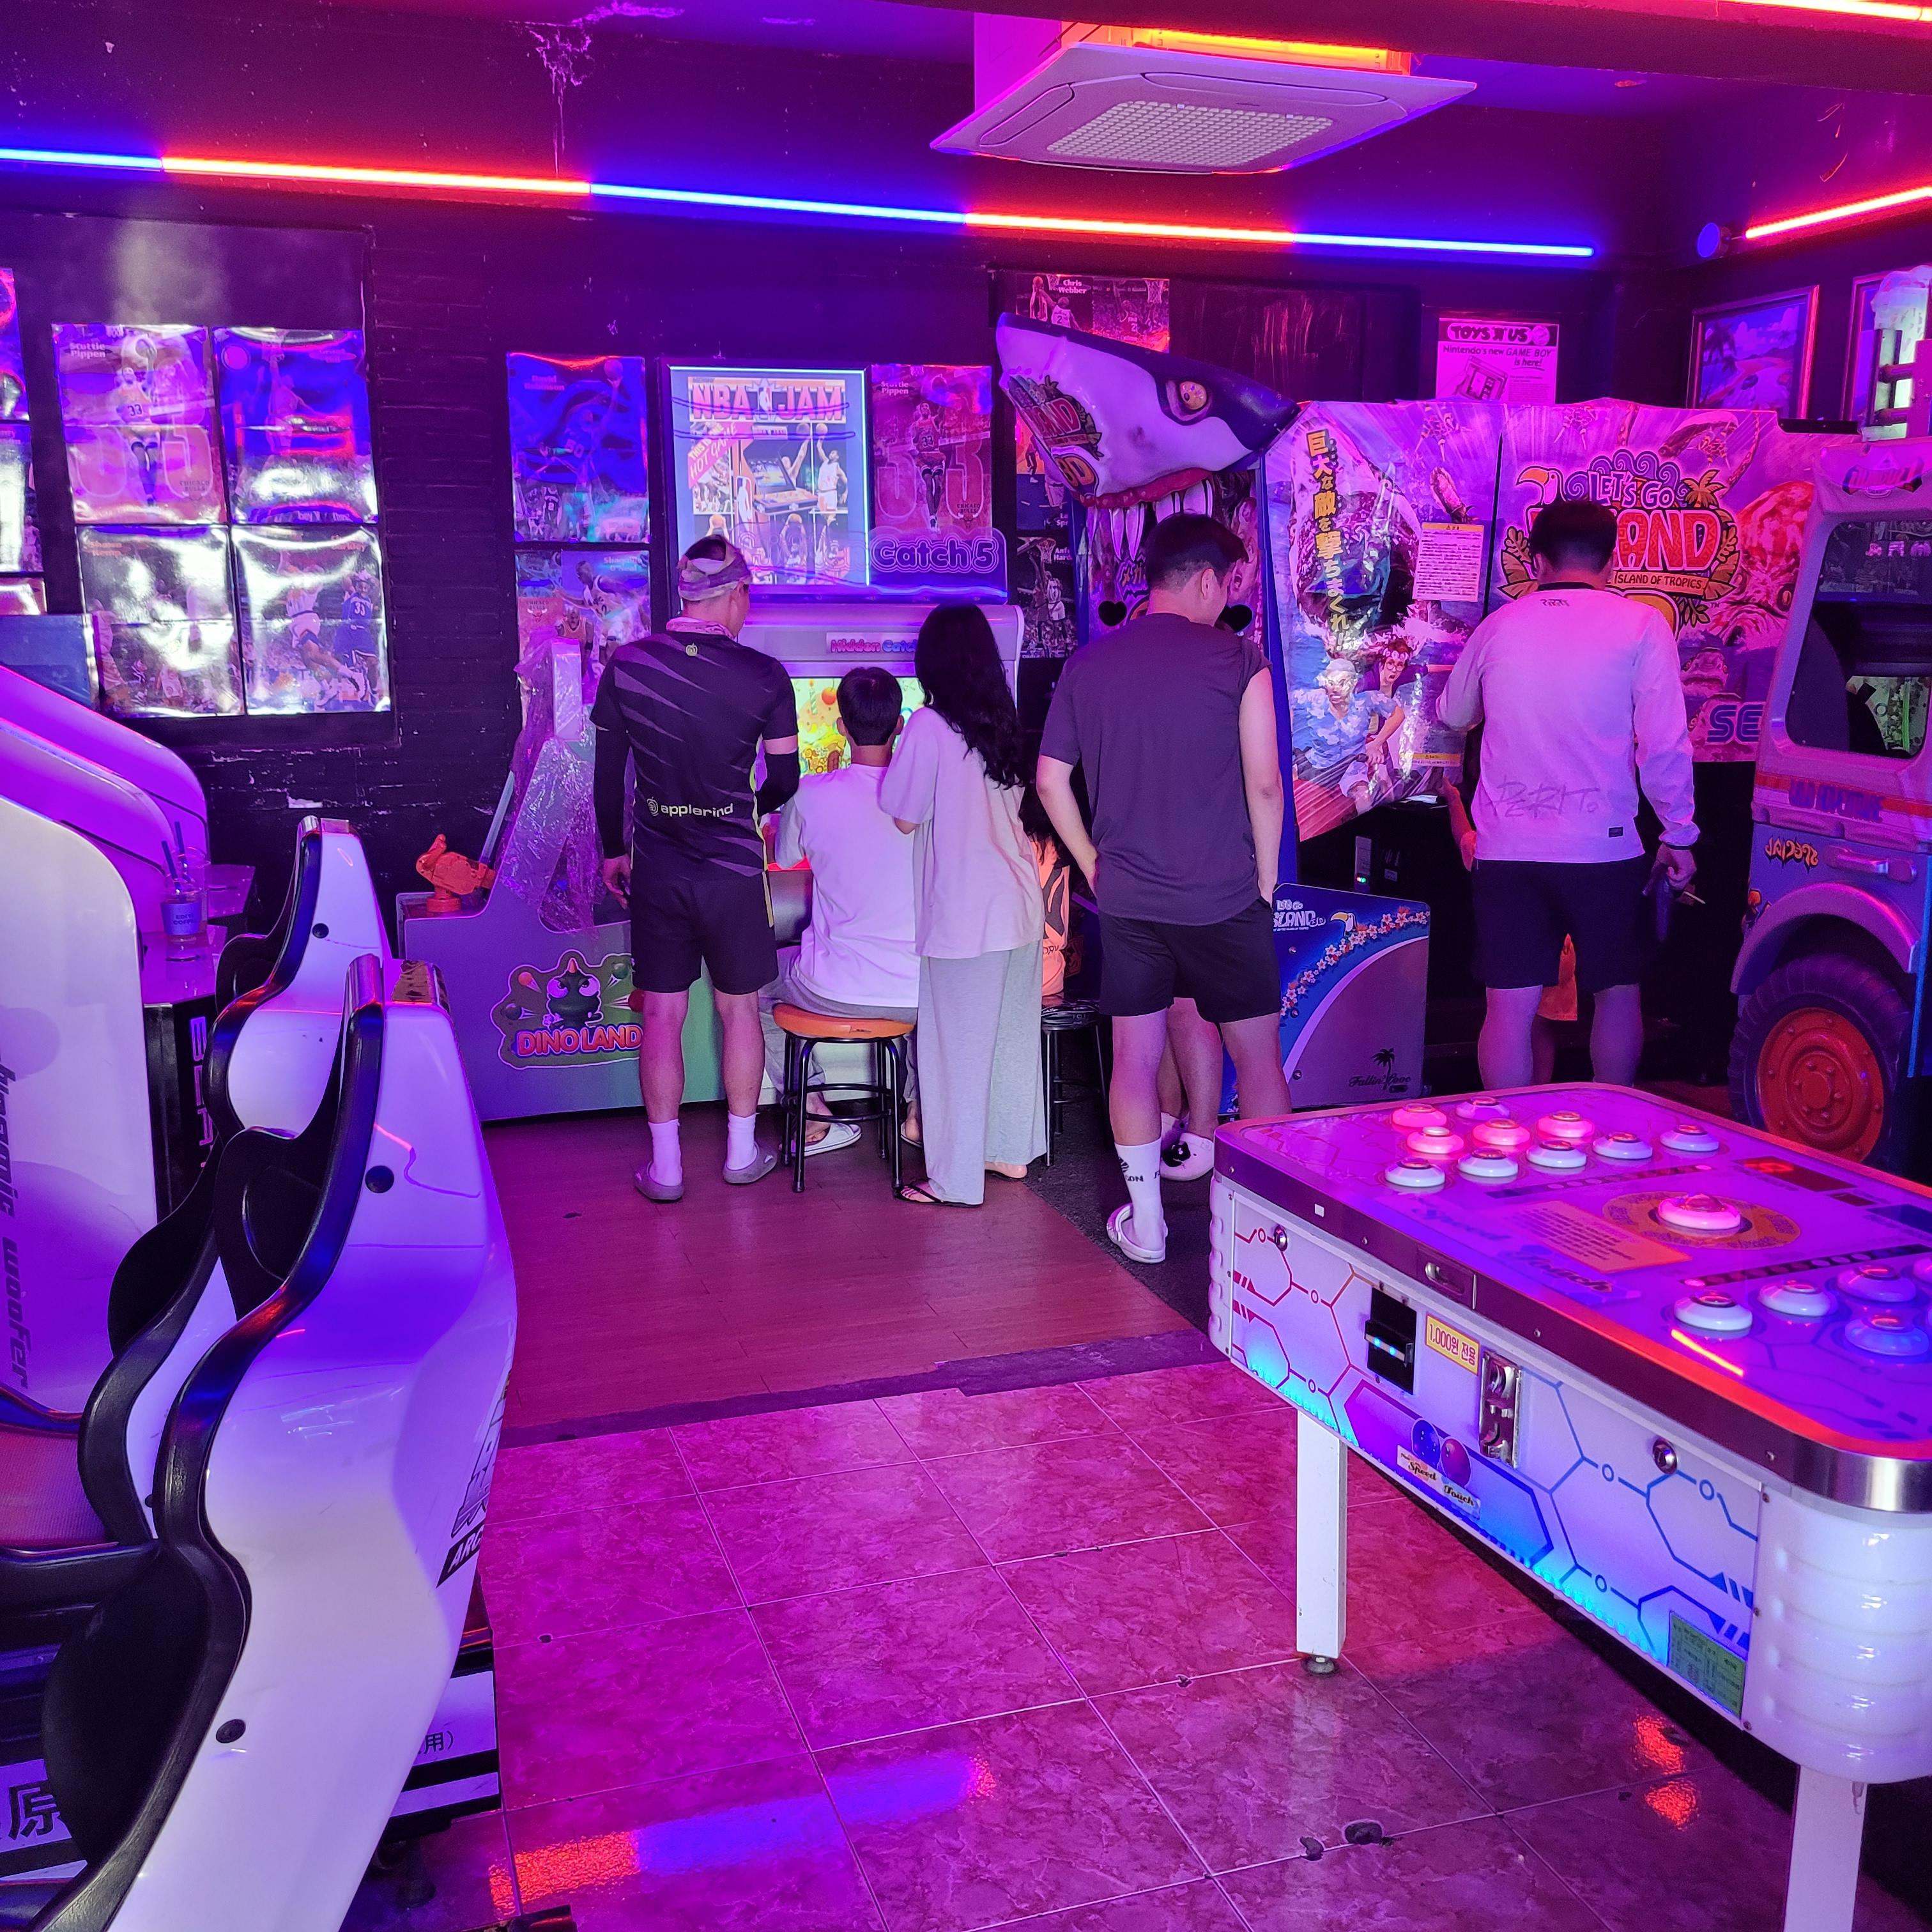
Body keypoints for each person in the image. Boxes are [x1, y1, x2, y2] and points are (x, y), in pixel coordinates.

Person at [1036, 511, 1291, 1266]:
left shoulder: (1090, 664)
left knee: (1135, 1059)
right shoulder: (1239, 660)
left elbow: (1050, 781)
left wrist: (1092, 862)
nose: (1229, 599)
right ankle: (1271, 1234)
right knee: (1260, 1061)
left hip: (1130, 901)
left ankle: (1147, 1224)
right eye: (1231, 585)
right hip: (1227, 897)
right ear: (1208, 581)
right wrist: (1267, 879)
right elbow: (1266, 785)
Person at [1437, 496, 1697, 1089]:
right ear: (1612, 560)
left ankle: (1505, 1132)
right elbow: (1665, 743)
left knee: (1508, 1008)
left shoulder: (1500, 625)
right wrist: (1679, 832)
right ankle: (1614, 1124)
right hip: (1604, 847)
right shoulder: (1641, 625)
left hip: (1508, 847)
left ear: (1537, 561)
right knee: (1617, 994)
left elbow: (1452, 713)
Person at [592, 535, 800, 1200]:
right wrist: (743, 808)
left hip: (657, 865)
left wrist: (613, 850)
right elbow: (786, 777)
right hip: (733, 869)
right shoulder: (765, 676)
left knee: (661, 1013)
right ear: (737, 593)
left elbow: (608, 773)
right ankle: (740, 1154)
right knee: (740, 1010)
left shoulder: (628, 665)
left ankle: (667, 1169)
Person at [881, 602, 1045, 1206]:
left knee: (954, 1048)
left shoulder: (928, 725)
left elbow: (903, 815)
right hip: (1018, 903)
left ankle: (954, 1181)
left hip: (964, 913)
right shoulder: (1002, 722)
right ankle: (1006, 1151)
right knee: (1010, 1040)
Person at [758, 667, 919, 1156]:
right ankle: (919, 1112)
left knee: (752, 986)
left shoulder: (811, 794)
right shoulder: (926, 799)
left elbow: (784, 857)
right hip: (919, 993)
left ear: (842, 726)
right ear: (899, 725)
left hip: (832, 990)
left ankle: (814, 1110)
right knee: (934, 1011)